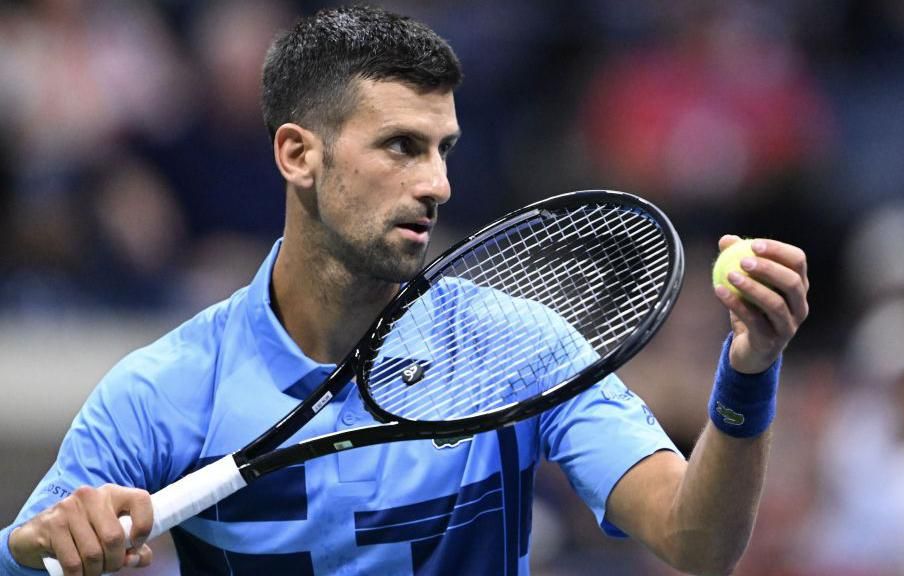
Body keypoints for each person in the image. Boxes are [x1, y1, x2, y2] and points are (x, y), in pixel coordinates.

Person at [1, 6, 809, 576]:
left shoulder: (521, 348)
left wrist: (749, 372)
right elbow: (26, 553)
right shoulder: (164, 390)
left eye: (443, 150)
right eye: (401, 146)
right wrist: (47, 545)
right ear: (297, 155)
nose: (438, 184)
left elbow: (697, 542)